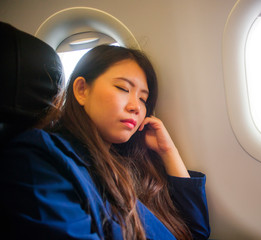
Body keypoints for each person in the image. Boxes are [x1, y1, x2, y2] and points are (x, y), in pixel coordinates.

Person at [0, 45, 210, 239]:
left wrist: (168, 151)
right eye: (122, 88)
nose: (136, 107)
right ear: (82, 90)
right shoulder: (39, 157)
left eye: (143, 99)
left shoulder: (127, 166)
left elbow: (196, 233)